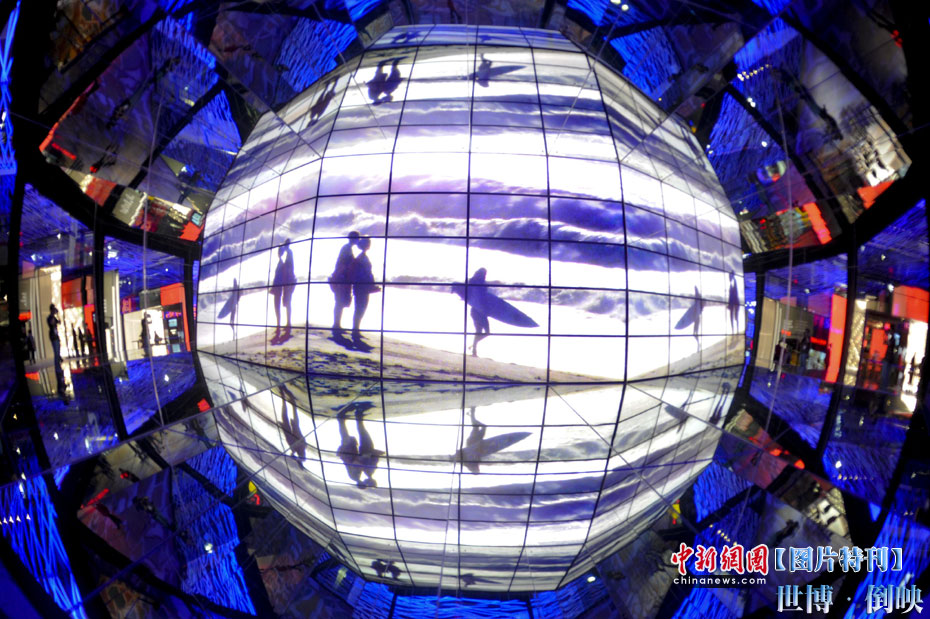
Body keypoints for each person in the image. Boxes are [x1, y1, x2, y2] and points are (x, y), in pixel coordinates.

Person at [336, 402, 381, 489]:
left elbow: (356, 463)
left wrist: (365, 456)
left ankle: (343, 417)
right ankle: (350, 416)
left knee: (347, 435)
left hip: (349, 453)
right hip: (351, 453)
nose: (367, 482)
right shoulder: (361, 474)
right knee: (352, 434)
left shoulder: (357, 475)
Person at [348, 236, 379, 347]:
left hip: (361, 287)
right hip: (362, 287)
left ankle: (356, 330)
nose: (369, 245)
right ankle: (355, 331)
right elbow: (364, 275)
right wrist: (371, 285)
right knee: (360, 308)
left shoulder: (361, 257)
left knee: (360, 309)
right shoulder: (361, 258)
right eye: (368, 243)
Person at [330, 231, 359, 339]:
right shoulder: (347, 249)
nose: (358, 240)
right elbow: (344, 265)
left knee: (340, 303)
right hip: (341, 279)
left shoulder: (347, 248)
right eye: (357, 238)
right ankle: (336, 325)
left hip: (341, 278)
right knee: (339, 302)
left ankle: (337, 325)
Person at [271, 239, 296, 341]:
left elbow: (289, 270)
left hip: (284, 283)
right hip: (284, 283)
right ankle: (285, 324)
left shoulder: (287, 255)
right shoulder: (285, 256)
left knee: (283, 304)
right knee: (285, 303)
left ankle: (284, 325)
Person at [467, 268, 491, 356]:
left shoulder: (474, 281)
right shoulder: (477, 283)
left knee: (481, 332)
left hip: (479, 311)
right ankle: (474, 349)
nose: (485, 275)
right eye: (484, 273)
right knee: (483, 332)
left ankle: (473, 348)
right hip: (478, 311)